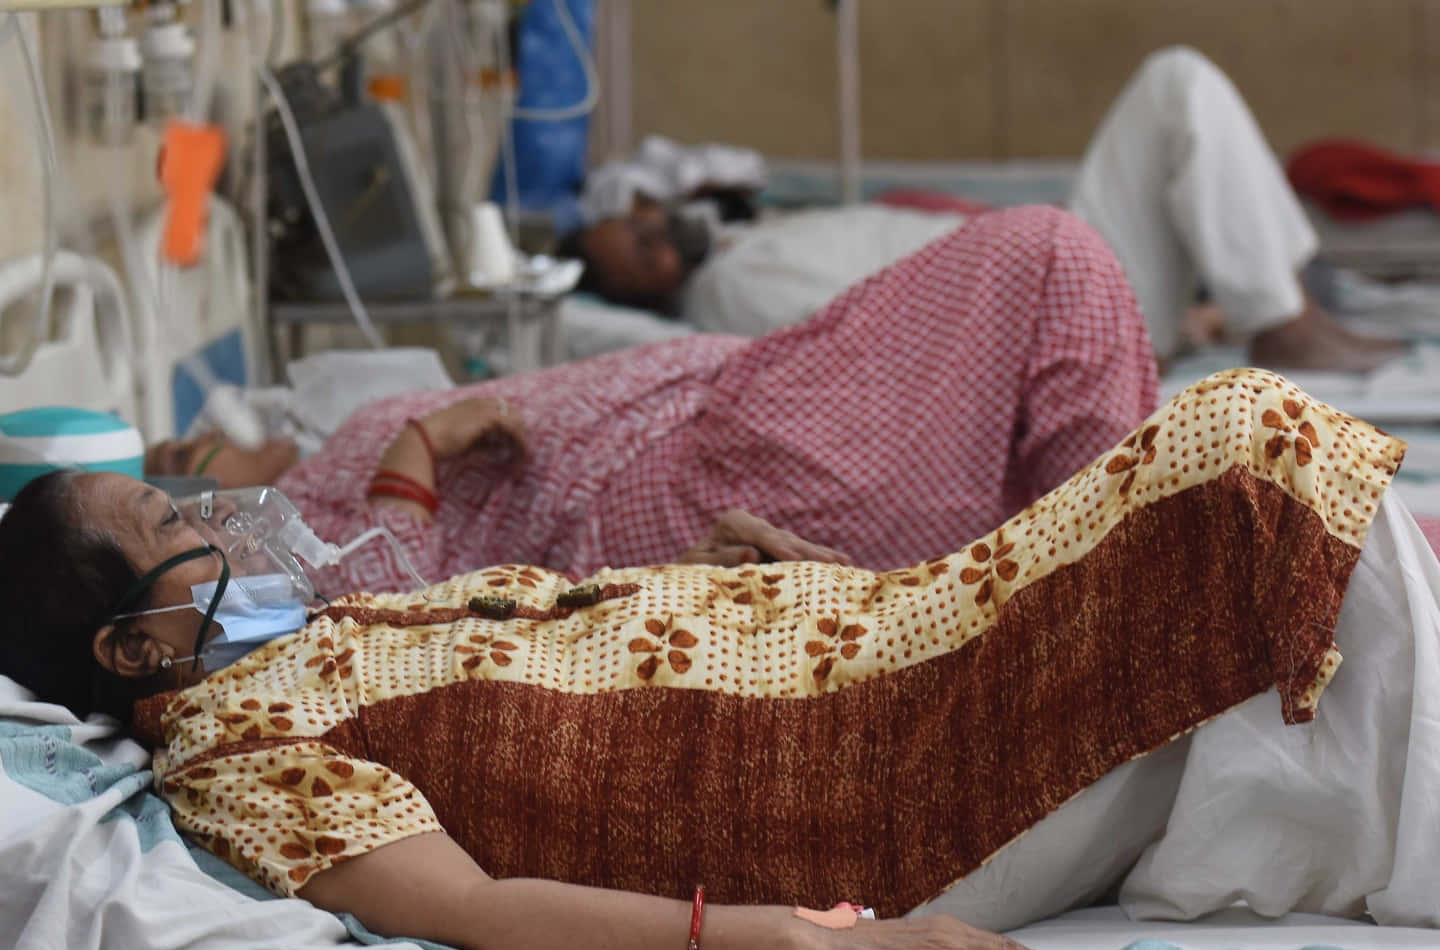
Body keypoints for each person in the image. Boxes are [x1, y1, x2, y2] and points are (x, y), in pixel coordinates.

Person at [0, 366, 1430, 950]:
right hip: (851, 777)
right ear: (129, 650)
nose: (208, 525)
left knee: (1248, 472)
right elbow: (471, 912)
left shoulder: (304, 644)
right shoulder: (239, 753)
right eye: (169, 529)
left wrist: (789, 581)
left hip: (870, 647)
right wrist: (808, 945)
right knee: (1245, 466)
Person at [151, 206, 1162, 593]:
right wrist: (421, 441)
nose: (196, 441)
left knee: (1046, 335)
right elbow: (382, 608)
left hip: (732, 409)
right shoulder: (300, 520)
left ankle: (1112, 580)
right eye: (185, 462)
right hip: (699, 479)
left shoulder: (326, 425)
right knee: (1045, 254)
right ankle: (1117, 594)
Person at [570, 48, 1400, 374]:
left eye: (643, 221)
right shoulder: (730, 294)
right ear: (656, 294)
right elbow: (885, 339)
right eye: (642, 254)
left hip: (1058, 269)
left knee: (1177, 92)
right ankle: (1277, 313)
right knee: (1173, 86)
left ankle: (1281, 301)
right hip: (1053, 312)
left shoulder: (746, 238)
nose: (657, 234)